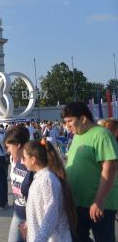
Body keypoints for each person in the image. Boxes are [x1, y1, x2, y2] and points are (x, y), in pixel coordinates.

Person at [62, 102, 118, 242]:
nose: (67, 125)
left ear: (83, 119)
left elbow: (109, 168)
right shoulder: (77, 136)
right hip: (79, 203)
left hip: (99, 204)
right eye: (65, 122)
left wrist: (99, 200)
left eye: (70, 121)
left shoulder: (101, 135)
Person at [22, 140, 76, 242]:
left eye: (24, 158)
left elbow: (51, 215)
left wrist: (39, 239)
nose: (22, 161)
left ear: (33, 159)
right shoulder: (42, 178)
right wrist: (28, 223)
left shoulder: (47, 180)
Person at [4, 125, 33, 242]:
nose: (8, 150)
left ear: (18, 145)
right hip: (18, 213)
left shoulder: (32, 164)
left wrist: (30, 221)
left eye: (9, 146)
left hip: (32, 217)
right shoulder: (13, 160)